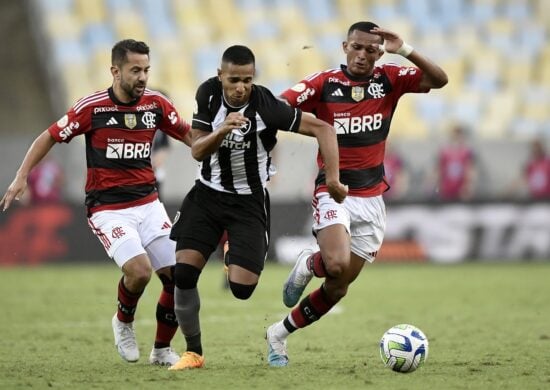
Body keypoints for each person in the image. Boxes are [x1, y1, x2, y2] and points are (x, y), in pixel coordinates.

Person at [265, 21, 448, 366]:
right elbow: (277, 107)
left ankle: (278, 333)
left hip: (373, 198)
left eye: (370, 49)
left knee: (336, 288)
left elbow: (439, 80)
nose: (362, 55)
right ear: (344, 46)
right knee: (334, 264)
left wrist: (405, 49)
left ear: (379, 53)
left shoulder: (389, 79)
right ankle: (311, 262)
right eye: (356, 47)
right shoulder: (324, 83)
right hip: (334, 192)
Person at [0, 39, 192, 366]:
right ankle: (124, 322)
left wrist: (220, 148)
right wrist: (22, 176)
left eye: (146, 69)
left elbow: (190, 136)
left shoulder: (157, 104)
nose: (143, 77)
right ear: (115, 71)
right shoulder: (93, 108)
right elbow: (49, 135)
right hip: (107, 209)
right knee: (140, 272)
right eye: (135, 70)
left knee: (180, 278)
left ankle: (161, 350)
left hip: (148, 203)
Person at [167, 45, 348, 370]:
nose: (240, 88)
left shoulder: (267, 105)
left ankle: (232, 254)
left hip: (248, 203)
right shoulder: (207, 94)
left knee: (242, 289)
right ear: (220, 76)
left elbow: (324, 128)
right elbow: (196, 150)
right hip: (206, 196)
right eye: (234, 80)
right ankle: (193, 352)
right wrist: (221, 129)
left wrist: (333, 180)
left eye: (247, 80)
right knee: (183, 273)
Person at [430, 123, 477, 201]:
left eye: (459, 135)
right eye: (455, 135)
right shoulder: (444, 152)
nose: (457, 138)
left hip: (461, 190)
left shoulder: (467, 152)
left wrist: (468, 186)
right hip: (446, 189)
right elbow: (438, 169)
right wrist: (437, 186)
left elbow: (470, 170)